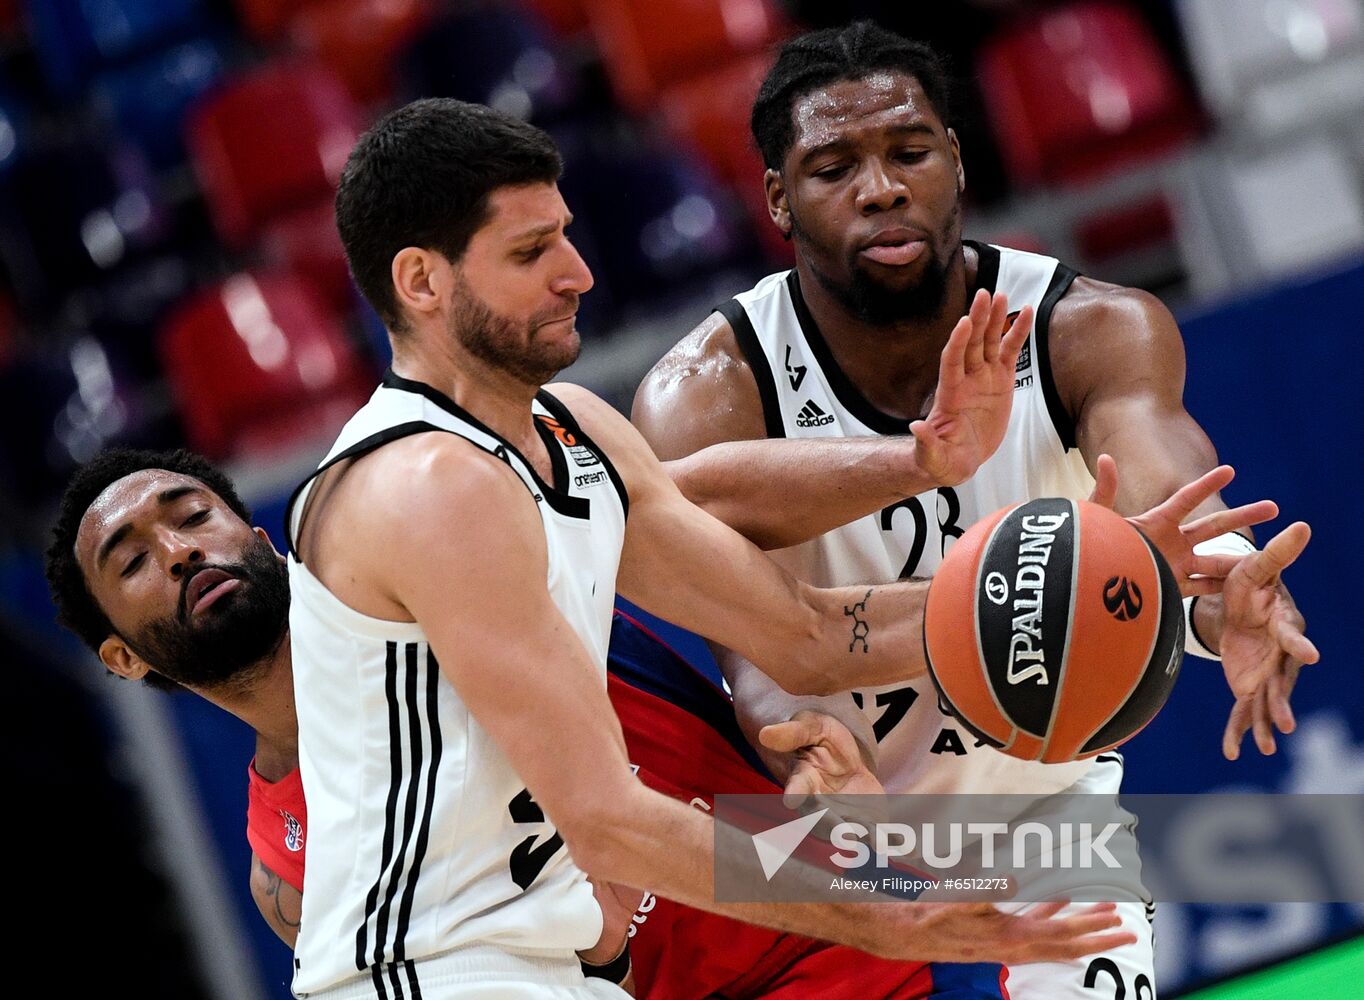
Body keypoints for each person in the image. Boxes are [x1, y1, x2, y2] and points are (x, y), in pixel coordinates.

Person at [275, 96, 1158, 999]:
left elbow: (804, 635)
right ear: (421, 282)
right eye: (531, 252)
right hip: (429, 972)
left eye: (566, 236)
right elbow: (608, 822)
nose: (578, 273)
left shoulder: (573, 432)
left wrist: (1084, 572)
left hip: (549, 970)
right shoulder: (427, 486)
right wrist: (898, 910)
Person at [631, 21, 1318, 1000]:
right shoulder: (707, 392)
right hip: (836, 832)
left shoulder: (1089, 328)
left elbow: (1175, 507)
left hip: (1045, 816)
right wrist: (808, 753)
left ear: (953, 157)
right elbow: (756, 648)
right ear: (777, 199)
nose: (880, 187)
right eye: (834, 166)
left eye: (908, 151)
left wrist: (1223, 596)